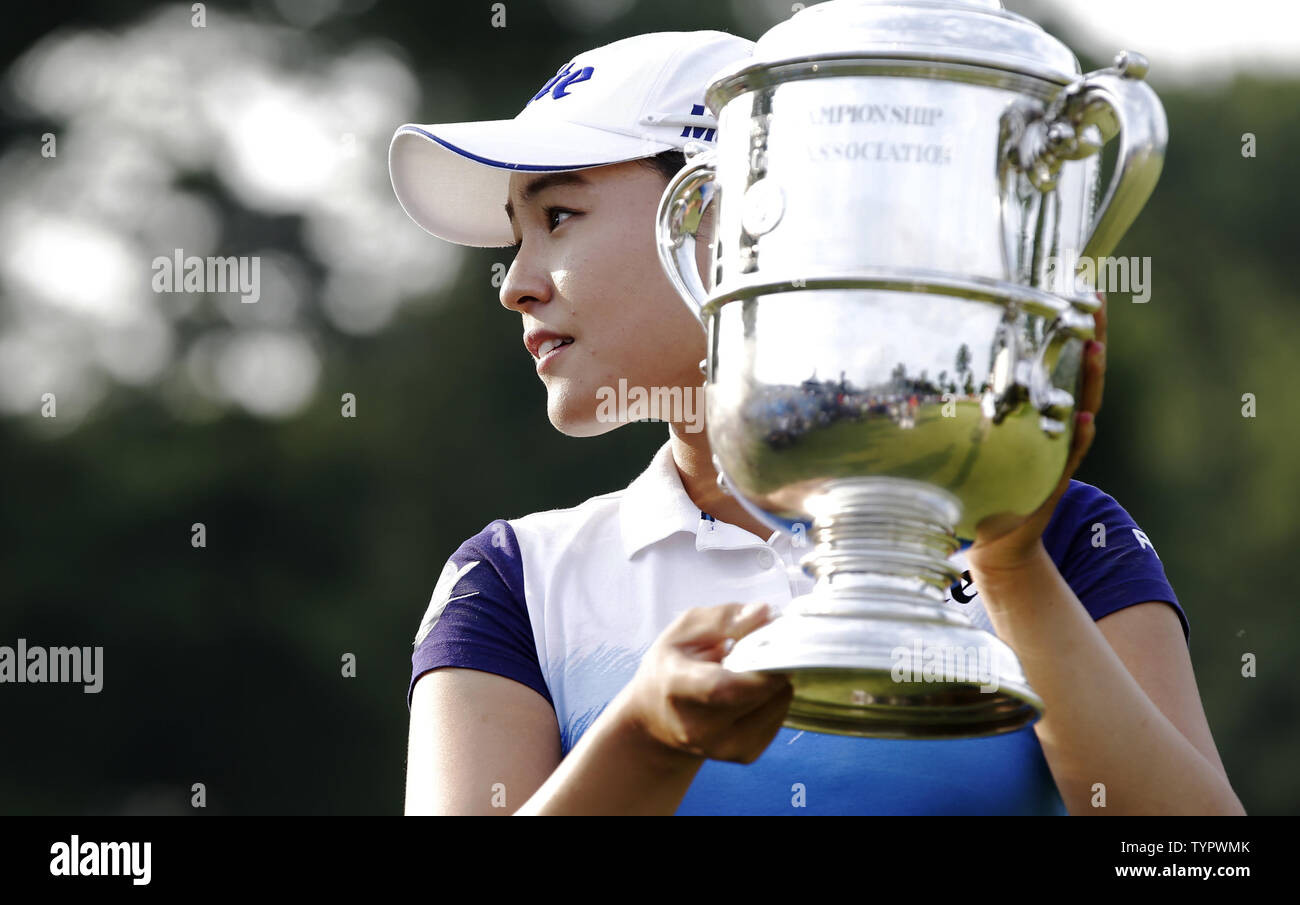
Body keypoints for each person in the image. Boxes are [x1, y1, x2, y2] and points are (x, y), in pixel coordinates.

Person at [388, 30, 1244, 816]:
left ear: (724, 219)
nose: (515, 282)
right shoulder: (511, 580)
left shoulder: (1065, 537)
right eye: (516, 234)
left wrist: (1015, 573)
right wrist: (642, 739)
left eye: (557, 217)